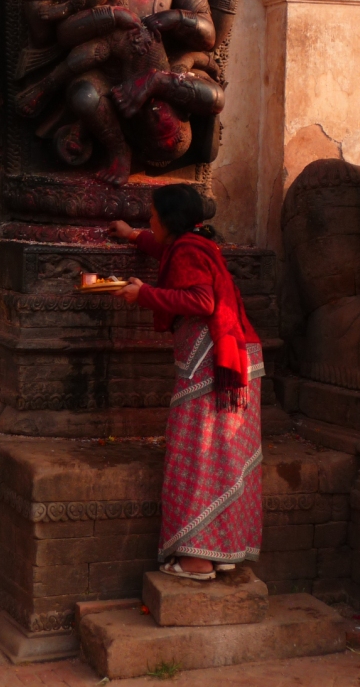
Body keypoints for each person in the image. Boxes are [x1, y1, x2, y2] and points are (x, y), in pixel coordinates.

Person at [109, 184, 264, 580]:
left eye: (153, 216)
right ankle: (221, 549)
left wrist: (145, 294)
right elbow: (168, 252)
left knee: (197, 455)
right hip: (235, 356)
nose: (150, 221)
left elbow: (201, 301)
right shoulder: (193, 244)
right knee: (223, 457)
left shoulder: (187, 251)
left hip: (210, 365)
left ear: (169, 220)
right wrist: (132, 236)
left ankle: (196, 560)